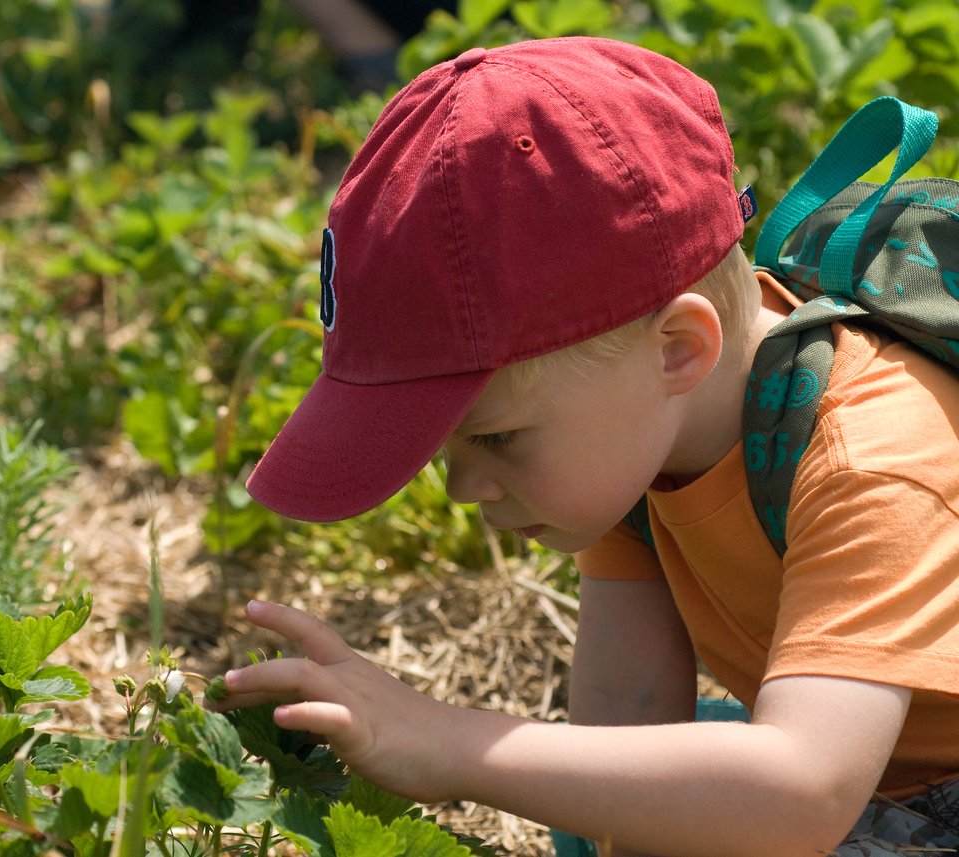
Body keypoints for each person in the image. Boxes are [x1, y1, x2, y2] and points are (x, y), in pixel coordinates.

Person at [208, 36, 959, 857]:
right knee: (594, 796)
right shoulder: (635, 436)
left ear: (677, 347)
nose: (463, 487)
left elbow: (799, 794)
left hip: (883, 785)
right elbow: (630, 704)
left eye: (495, 437)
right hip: (864, 776)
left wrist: (451, 743)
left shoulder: (866, 455)